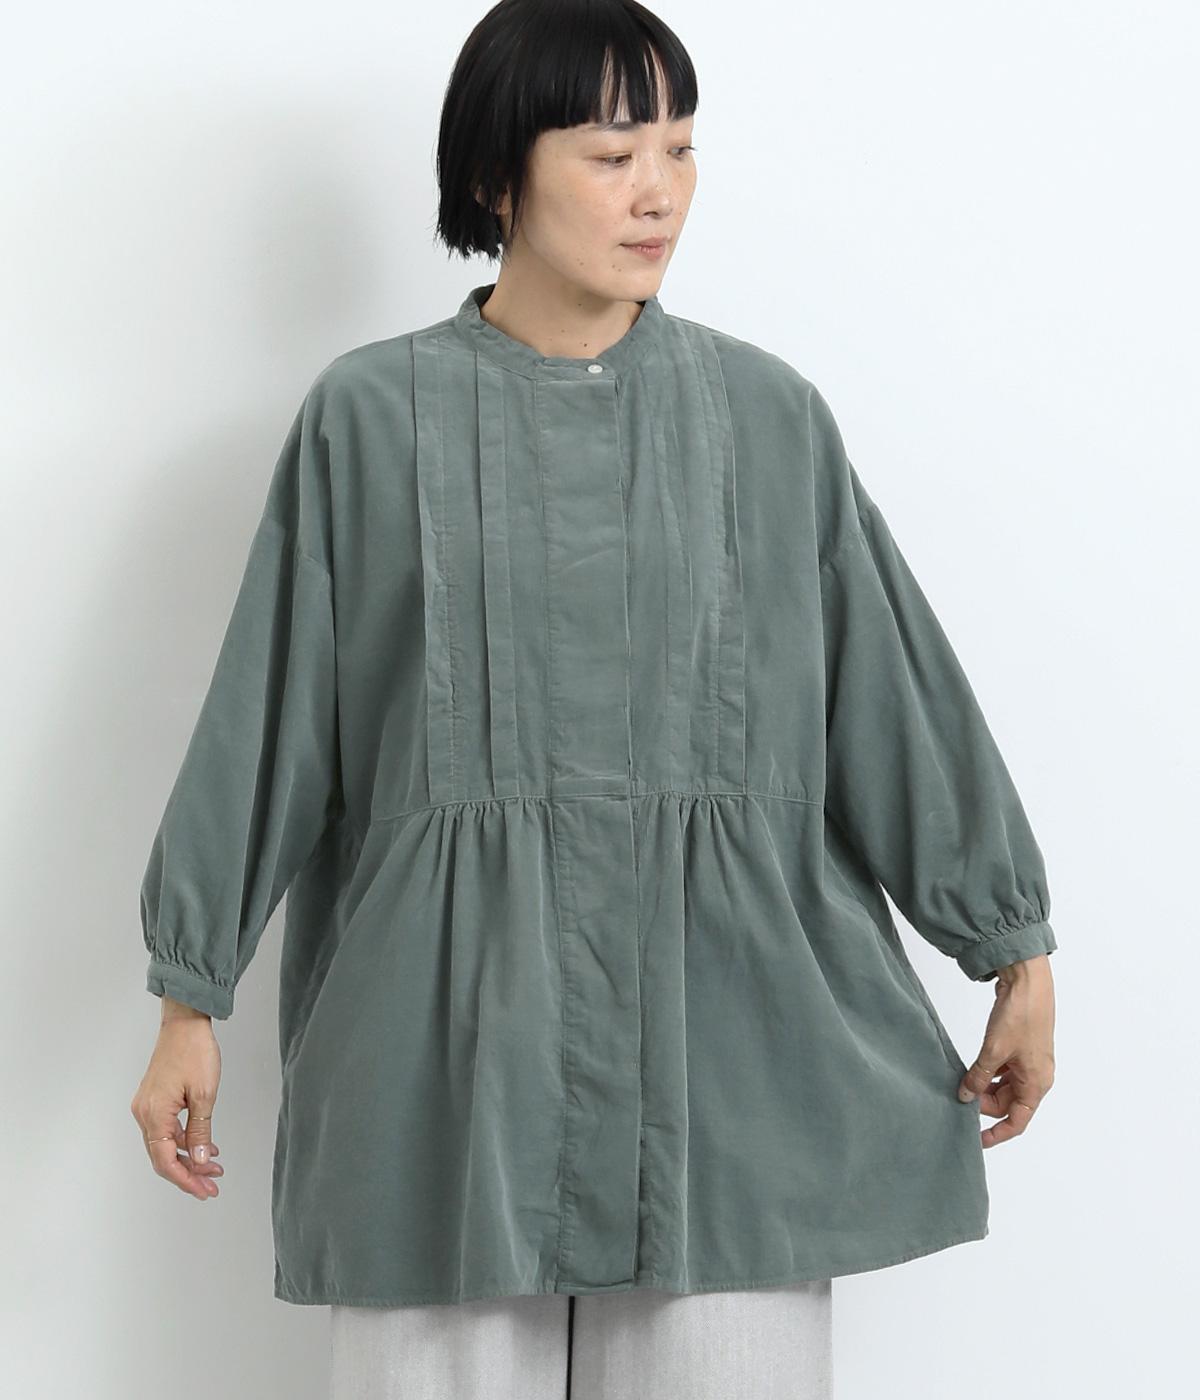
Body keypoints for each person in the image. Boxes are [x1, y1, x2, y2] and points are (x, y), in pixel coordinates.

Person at [129, 2, 1058, 1396]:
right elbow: (269, 723)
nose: (659, 190)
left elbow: (891, 696)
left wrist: (1011, 948)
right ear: (497, 174)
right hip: (444, 1071)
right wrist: (187, 993)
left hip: (733, 1072)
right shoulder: (368, 420)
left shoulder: (768, 419)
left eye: (681, 149)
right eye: (614, 153)